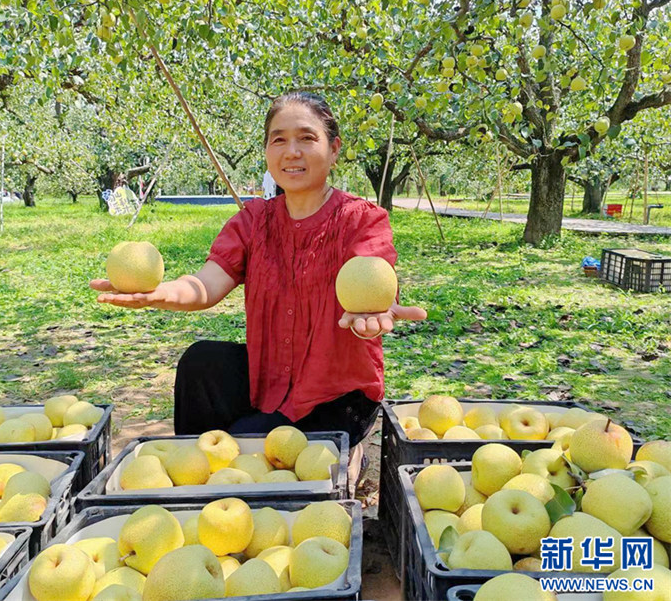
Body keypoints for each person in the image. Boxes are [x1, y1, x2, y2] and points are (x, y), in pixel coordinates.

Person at [90, 92, 427, 480]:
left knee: (244, 456)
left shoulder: (360, 220)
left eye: (307, 138)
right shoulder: (254, 221)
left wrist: (376, 307)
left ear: (333, 150)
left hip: (336, 393)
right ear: (267, 151)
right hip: (271, 379)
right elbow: (206, 284)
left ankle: (349, 454)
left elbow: (374, 272)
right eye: (279, 140)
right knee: (202, 364)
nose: (292, 152)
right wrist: (159, 292)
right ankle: (195, 477)